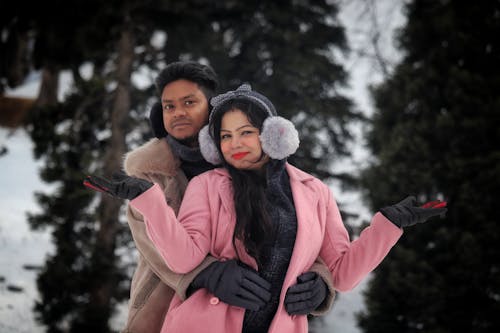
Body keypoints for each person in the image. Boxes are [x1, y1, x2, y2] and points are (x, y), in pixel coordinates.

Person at [85, 83, 447, 332]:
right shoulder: (208, 186)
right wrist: (146, 198)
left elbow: (343, 273)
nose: (235, 144)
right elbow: (184, 259)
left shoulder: (315, 192)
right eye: (225, 136)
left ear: (273, 134)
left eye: (246, 132)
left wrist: (389, 225)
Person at [90, 62, 335, 332]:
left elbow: (291, 234)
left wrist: (321, 280)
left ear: (211, 109)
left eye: (189, 102)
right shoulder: (148, 176)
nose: (178, 113)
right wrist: (207, 273)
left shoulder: (247, 161)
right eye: (169, 107)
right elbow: (155, 248)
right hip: (160, 309)